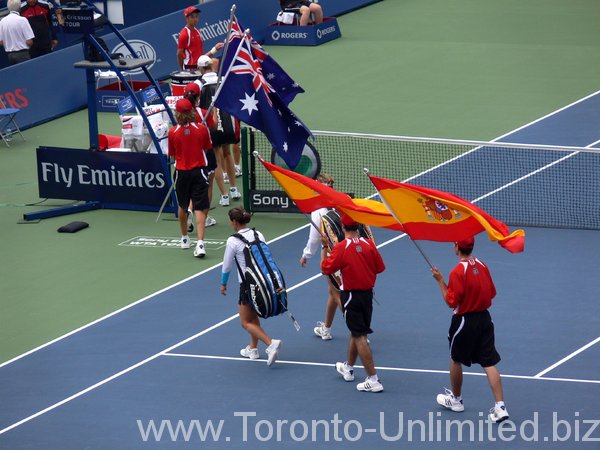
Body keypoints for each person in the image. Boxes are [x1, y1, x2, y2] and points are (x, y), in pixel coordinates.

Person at [431, 236, 509, 423]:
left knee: (455, 359)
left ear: (457, 246)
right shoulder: (482, 264)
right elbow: (491, 292)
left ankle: (456, 400)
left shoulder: (457, 271)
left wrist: (440, 281)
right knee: (489, 362)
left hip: (464, 321)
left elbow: (451, 301)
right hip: (485, 319)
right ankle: (501, 406)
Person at [322, 214, 386, 392]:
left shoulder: (341, 248)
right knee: (357, 331)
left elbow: (325, 268)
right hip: (367, 296)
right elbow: (380, 267)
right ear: (357, 227)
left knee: (359, 336)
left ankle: (373, 379)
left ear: (343, 227)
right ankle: (348, 368)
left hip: (351, 296)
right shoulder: (368, 244)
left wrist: (325, 246)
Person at [220, 207, 282, 366]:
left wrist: (223, 283)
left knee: (245, 322)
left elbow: (226, 266)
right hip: (264, 281)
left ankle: (270, 343)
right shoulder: (258, 234)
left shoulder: (233, 240)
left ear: (234, 221)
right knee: (253, 317)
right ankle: (253, 349)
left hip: (247, 286)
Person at [167, 98, 213, 258]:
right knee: (200, 207)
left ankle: (185, 238)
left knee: (182, 205)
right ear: (192, 111)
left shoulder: (172, 132)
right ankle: (200, 244)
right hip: (199, 171)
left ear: (177, 114)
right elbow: (207, 148)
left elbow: (172, 154)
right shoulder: (202, 129)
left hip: (181, 173)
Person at [298, 173, 341, 340]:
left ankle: (357, 331)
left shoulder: (318, 210)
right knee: (332, 291)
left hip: (333, 255)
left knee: (337, 294)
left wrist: (306, 255)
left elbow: (314, 238)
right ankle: (326, 328)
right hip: (348, 252)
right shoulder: (339, 201)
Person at [198, 55, 241, 207]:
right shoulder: (223, 79)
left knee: (216, 160)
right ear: (211, 66)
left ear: (201, 69)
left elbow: (195, 104)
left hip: (212, 125)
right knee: (227, 152)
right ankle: (234, 189)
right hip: (227, 123)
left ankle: (224, 195)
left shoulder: (199, 83)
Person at [182, 81, 218, 229]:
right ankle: (205, 216)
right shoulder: (203, 113)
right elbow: (214, 126)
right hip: (205, 153)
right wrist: (214, 110)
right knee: (207, 185)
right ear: (199, 96)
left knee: (192, 185)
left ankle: (190, 209)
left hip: (188, 153)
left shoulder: (181, 114)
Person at [177, 6, 223, 71]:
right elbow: (179, 54)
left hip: (200, 65)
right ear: (187, 18)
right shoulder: (184, 34)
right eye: (192, 17)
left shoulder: (197, 31)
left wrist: (215, 49)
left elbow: (200, 57)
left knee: (216, 62)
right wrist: (183, 69)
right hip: (191, 69)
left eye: (196, 16)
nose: (195, 19)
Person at [0, 0, 34, 65]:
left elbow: (1, 42)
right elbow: (29, 42)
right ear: (19, 7)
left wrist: (10, 43)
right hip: (23, 54)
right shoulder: (22, 20)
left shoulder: (2, 22)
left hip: (10, 55)